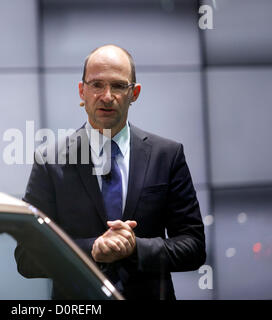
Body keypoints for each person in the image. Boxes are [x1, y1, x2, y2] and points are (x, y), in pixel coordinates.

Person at [15, 44, 206, 300]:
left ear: (134, 93)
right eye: (96, 85)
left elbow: (194, 247)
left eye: (118, 86)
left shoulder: (167, 155)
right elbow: (27, 256)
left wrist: (135, 248)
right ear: (82, 91)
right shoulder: (50, 161)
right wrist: (93, 248)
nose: (107, 96)